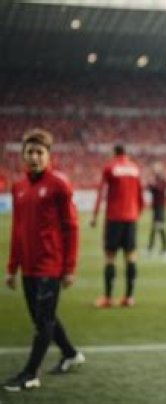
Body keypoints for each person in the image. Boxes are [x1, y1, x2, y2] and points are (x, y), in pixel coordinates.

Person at [4, 129, 85, 392]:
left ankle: (30, 374)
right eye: (30, 152)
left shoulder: (59, 184)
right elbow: (17, 230)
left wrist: (69, 268)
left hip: (50, 265)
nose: (35, 157)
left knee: (43, 321)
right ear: (23, 155)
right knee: (43, 318)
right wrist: (12, 268)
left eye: (40, 152)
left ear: (48, 155)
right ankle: (71, 354)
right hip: (28, 267)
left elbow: (71, 227)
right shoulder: (18, 187)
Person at [91, 144, 143, 308]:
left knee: (110, 257)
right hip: (131, 218)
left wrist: (94, 215)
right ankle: (129, 297)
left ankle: (107, 298)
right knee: (131, 257)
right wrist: (137, 213)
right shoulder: (134, 168)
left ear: (114, 153)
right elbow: (140, 195)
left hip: (114, 217)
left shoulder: (110, 167)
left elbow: (101, 192)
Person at [146, 162, 166, 257]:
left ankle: (165, 249)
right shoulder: (155, 179)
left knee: (160, 228)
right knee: (155, 228)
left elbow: (159, 189)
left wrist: (152, 184)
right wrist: (150, 184)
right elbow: (150, 188)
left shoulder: (162, 180)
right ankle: (151, 248)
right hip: (156, 207)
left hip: (160, 207)